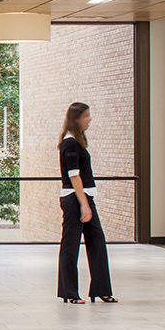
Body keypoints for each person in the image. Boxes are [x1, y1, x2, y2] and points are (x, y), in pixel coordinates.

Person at [57, 102, 116, 304]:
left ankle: (101, 290)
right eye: (86, 116)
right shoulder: (70, 143)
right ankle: (70, 293)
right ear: (76, 119)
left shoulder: (77, 142)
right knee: (70, 245)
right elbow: (74, 176)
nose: (89, 119)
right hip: (75, 199)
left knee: (97, 242)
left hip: (84, 198)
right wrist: (83, 204)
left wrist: (86, 201)